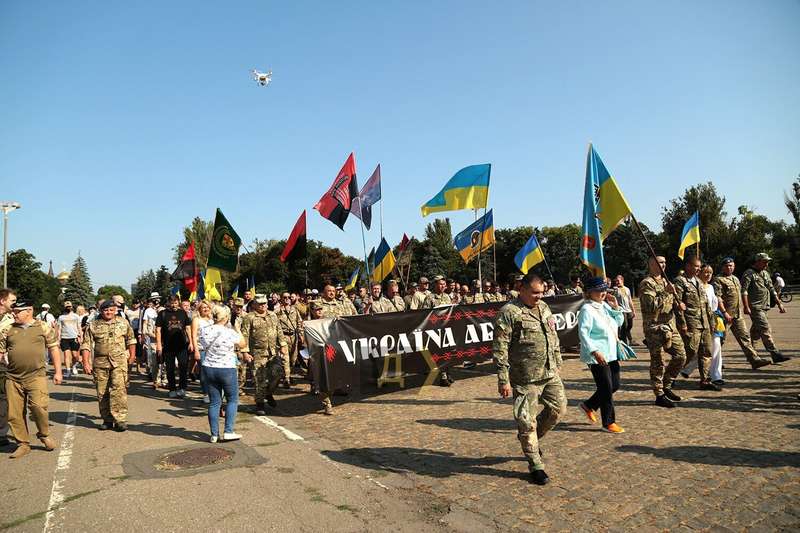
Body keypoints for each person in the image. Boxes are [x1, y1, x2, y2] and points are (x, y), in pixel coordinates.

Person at [493, 273, 566, 485]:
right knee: (527, 422)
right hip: (525, 377)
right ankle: (535, 464)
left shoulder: (544, 307)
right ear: (522, 289)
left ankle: (530, 439)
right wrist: (503, 379)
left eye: (541, 292)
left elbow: (552, 335)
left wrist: (558, 361)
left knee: (558, 411)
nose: (539, 296)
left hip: (549, 373)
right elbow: (500, 348)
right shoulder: (509, 313)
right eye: (534, 292)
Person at [0, 301, 62, 458]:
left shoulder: (43, 327)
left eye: (17, 312)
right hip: (12, 377)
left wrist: (58, 372)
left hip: (36, 376)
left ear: (29, 311)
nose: (13, 314)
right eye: (13, 311)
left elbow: (54, 348)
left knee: (38, 407)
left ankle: (44, 434)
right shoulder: (8, 328)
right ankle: (23, 444)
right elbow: (0, 351)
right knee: (14, 414)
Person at [577, 277, 626, 433]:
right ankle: (608, 422)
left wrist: (616, 307)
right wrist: (594, 351)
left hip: (611, 353)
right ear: (589, 292)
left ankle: (589, 405)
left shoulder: (604, 306)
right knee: (605, 387)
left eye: (604, 289)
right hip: (597, 355)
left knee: (615, 384)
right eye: (598, 290)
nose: (602, 293)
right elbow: (583, 333)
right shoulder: (586, 309)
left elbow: (618, 322)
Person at [81, 300, 136, 431]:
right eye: (106, 310)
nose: (109, 312)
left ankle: (120, 419)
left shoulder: (123, 323)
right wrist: (85, 362)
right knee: (102, 392)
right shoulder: (93, 325)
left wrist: (132, 356)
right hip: (100, 364)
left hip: (119, 362)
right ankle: (107, 419)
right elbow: (86, 345)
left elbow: (131, 339)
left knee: (119, 391)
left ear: (115, 311)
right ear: (101, 311)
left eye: (111, 310)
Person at [639, 256, 686, 408]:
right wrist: (666, 293)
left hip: (670, 325)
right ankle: (659, 394)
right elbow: (650, 306)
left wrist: (680, 305)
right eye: (660, 262)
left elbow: (673, 303)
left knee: (681, 356)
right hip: (654, 327)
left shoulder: (667, 281)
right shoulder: (647, 283)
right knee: (658, 361)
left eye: (665, 262)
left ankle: (667, 385)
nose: (663, 265)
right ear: (651, 264)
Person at [712, 257, 771, 369]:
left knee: (745, 338)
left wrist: (746, 307)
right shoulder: (718, 280)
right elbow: (717, 298)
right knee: (719, 340)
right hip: (724, 316)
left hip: (737, 315)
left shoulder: (735, 278)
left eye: (731, 266)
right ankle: (714, 362)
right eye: (727, 266)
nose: (729, 268)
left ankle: (754, 360)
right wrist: (724, 313)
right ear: (723, 267)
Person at [198, 305, 246, 442]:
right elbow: (242, 344)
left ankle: (214, 434)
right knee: (232, 399)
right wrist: (237, 329)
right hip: (226, 368)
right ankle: (228, 431)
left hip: (209, 367)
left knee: (214, 402)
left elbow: (203, 345)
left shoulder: (205, 330)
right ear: (225, 317)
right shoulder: (229, 332)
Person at [674, 256, 719, 391]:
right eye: (696, 266)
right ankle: (671, 377)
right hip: (691, 323)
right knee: (689, 352)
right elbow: (678, 304)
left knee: (706, 352)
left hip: (704, 323)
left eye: (699, 267)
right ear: (688, 266)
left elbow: (706, 304)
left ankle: (705, 380)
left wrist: (712, 323)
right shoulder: (680, 281)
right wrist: (682, 324)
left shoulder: (699, 282)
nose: (698, 269)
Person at [240, 294, 288, 415]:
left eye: (265, 303)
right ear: (255, 304)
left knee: (278, 374)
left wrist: (283, 344)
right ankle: (260, 403)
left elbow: (279, 330)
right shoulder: (249, 317)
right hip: (257, 353)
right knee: (259, 379)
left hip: (273, 352)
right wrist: (245, 351)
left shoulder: (272, 315)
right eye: (260, 304)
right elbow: (244, 335)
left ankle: (268, 392)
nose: (263, 306)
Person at [742, 253, 789, 363]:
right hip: (755, 307)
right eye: (764, 262)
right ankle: (775, 353)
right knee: (765, 328)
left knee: (756, 331)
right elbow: (744, 291)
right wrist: (746, 306)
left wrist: (779, 304)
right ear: (757, 261)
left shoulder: (765, 274)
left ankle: (752, 353)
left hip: (764, 307)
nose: (766, 264)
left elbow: (772, 289)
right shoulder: (749, 274)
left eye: (767, 262)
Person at [155, 294, 192, 398]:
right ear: (168, 303)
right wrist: (159, 345)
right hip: (168, 346)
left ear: (178, 302)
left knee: (183, 367)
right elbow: (158, 330)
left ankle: (182, 388)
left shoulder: (183, 313)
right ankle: (172, 388)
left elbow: (188, 328)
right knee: (170, 368)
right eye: (172, 303)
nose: (174, 305)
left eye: (176, 303)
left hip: (182, 346)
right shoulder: (163, 314)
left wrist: (191, 342)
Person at [422, 276, 454, 387]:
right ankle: (443, 376)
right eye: (440, 284)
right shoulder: (430, 298)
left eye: (444, 284)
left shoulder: (447, 296)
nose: (443, 286)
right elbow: (425, 315)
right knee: (439, 353)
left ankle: (447, 373)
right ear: (435, 285)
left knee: (448, 351)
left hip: (447, 329)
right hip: (435, 330)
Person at [0, 288, 18, 448]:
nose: (15, 304)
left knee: (3, 398)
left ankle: (1, 433)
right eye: (13, 301)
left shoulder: (10, 318)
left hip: (2, 365)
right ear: (2, 301)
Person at [276, 292, 303, 386]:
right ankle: (287, 379)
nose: (287, 299)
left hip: (293, 337)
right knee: (285, 358)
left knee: (293, 359)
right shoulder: (277, 311)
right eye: (285, 297)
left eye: (288, 297)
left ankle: (286, 374)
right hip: (283, 336)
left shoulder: (294, 310)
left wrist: (301, 335)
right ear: (281, 299)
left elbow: (299, 322)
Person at [191, 300, 214, 404]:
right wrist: (196, 350)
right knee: (205, 372)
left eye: (207, 307)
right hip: (202, 349)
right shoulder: (196, 320)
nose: (206, 309)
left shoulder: (212, 320)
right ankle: (206, 393)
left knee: (213, 372)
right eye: (203, 307)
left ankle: (213, 392)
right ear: (199, 309)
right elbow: (194, 336)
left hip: (213, 350)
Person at [140, 293, 161, 389]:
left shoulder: (163, 310)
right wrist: (143, 334)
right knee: (154, 359)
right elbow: (145, 323)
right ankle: (155, 379)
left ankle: (163, 379)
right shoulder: (148, 310)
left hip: (163, 338)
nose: (156, 301)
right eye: (154, 299)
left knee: (163, 359)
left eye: (157, 299)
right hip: (152, 337)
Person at [56, 301, 82, 378]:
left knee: (75, 356)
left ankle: (74, 366)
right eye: (67, 307)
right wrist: (58, 339)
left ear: (71, 307)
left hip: (74, 337)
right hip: (64, 338)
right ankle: (68, 371)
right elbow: (59, 329)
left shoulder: (76, 316)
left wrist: (81, 336)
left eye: (69, 306)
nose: (68, 308)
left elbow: (79, 327)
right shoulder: (61, 317)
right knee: (66, 355)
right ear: (64, 307)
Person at [613, 275, 636, 345]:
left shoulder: (627, 289)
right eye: (616, 281)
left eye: (618, 280)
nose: (616, 282)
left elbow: (630, 300)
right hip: (621, 310)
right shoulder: (615, 289)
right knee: (624, 326)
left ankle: (628, 339)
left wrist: (633, 310)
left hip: (628, 310)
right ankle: (625, 341)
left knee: (630, 326)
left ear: (622, 280)